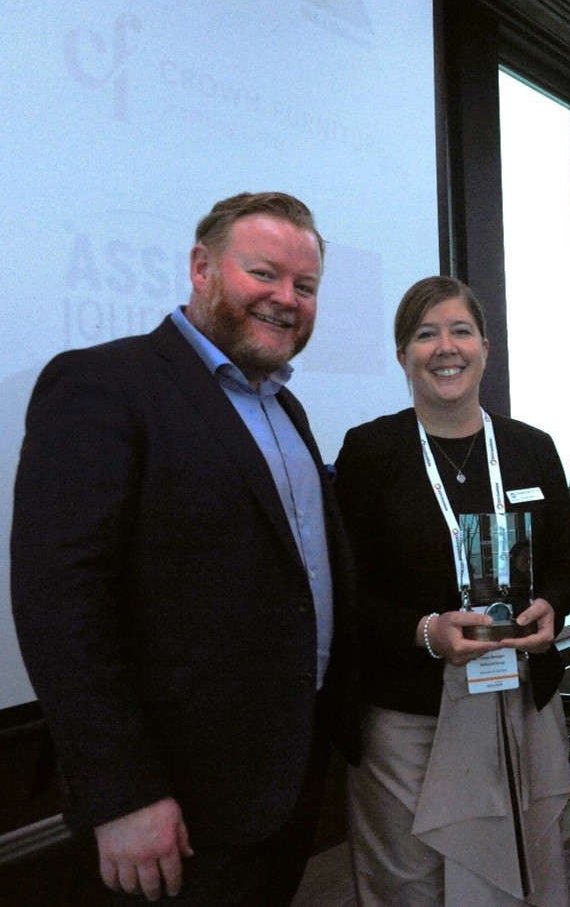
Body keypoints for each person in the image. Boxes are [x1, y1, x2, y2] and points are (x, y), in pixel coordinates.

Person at [10, 191, 360, 904]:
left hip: (287, 777)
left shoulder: (282, 405)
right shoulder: (104, 384)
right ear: (201, 268)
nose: (285, 299)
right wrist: (123, 794)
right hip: (176, 805)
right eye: (263, 274)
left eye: (306, 286)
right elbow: (60, 604)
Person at [333, 275, 570, 906]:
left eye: (460, 331)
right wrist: (426, 632)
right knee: (411, 882)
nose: (446, 347)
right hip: (411, 712)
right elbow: (343, 591)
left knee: (523, 873)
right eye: (425, 334)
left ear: (485, 348)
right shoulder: (370, 452)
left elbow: (564, 566)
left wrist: (553, 604)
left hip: (517, 699)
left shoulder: (531, 448)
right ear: (401, 355)